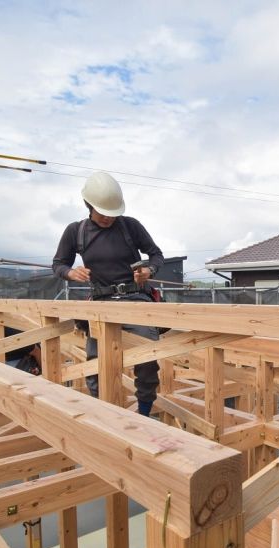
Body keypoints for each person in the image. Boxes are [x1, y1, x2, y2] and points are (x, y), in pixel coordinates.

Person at [52, 171, 165, 416]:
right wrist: (71, 273)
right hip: (101, 302)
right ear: (89, 205)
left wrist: (149, 269)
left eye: (112, 214)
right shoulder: (76, 232)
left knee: (147, 356)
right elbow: (58, 264)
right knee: (96, 363)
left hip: (135, 298)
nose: (107, 219)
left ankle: (144, 410)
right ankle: (104, 413)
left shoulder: (130, 226)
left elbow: (156, 255)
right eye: (103, 213)